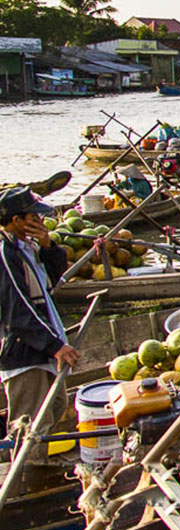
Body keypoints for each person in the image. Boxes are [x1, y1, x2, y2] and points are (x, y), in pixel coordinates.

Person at [0, 188, 77, 462]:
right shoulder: (5, 253)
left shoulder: (28, 248)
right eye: (34, 217)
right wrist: (55, 346)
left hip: (42, 346)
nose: (40, 222)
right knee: (30, 430)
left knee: (57, 408)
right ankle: (28, 485)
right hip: (25, 352)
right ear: (17, 221)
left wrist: (48, 247)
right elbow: (18, 311)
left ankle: (41, 469)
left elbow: (53, 283)